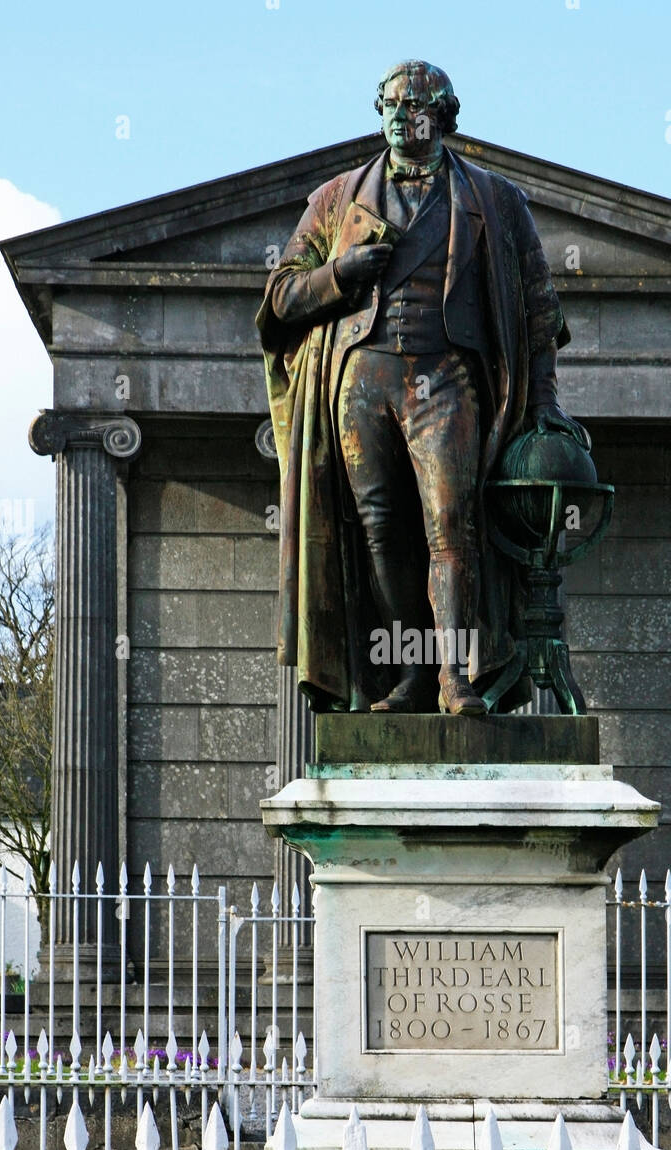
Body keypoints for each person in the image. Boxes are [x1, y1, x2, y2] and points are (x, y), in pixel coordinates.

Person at [257, 59, 584, 714]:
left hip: (445, 376)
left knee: (451, 521)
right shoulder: (335, 200)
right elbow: (281, 298)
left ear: (445, 114)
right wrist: (340, 274)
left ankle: (457, 677)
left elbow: (539, 314)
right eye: (390, 105)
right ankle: (408, 672)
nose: (400, 117)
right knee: (378, 529)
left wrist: (543, 404)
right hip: (360, 377)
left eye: (415, 105)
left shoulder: (494, 199)